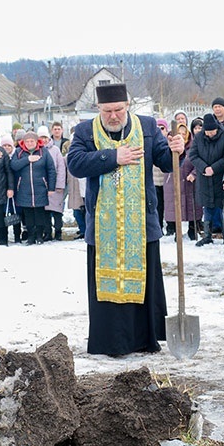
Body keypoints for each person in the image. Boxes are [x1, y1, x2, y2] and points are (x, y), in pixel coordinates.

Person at [66, 82, 185, 356]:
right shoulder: (85, 131)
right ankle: (111, 343)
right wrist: (113, 157)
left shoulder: (147, 127)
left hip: (141, 223)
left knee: (145, 282)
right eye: (107, 111)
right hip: (103, 225)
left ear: (128, 106)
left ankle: (146, 340)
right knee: (106, 288)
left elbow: (166, 161)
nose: (113, 116)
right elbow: (76, 164)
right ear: (98, 109)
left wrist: (177, 147)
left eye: (118, 109)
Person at [189, 113, 224, 246]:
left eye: (211, 131)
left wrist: (214, 168)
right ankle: (207, 235)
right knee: (206, 206)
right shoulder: (199, 137)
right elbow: (193, 155)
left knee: (221, 206)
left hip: (220, 176)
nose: (209, 134)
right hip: (204, 178)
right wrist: (204, 168)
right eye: (207, 131)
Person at [11, 131, 56, 245]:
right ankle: (31, 236)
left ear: (36, 142)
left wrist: (51, 187)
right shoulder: (18, 152)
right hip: (24, 189)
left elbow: (51, 169)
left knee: (39, 213)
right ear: (23, 142)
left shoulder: (44, 152)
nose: (29, 143)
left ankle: (39, 236)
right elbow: (14, 166)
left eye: (32, 141)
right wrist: (28, 159)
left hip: (40, 187)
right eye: (27, 141)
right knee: (28, 214)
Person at [165, 122, 200, 241]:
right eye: (179, 133)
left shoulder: (193, 146)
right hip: (173, 180)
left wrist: (194, 173)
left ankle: (192, 229)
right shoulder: (169, 145)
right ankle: (177, 230)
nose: (181, 136)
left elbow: (198, 161)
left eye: (184, 133)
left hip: (189, 180)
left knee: (191, 204)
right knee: (175, 205)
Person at [38, 125, 67, 241]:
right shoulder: (37, 150)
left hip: (55, 186)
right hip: (42, 186)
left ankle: (58, 232)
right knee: (45, 212)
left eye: (45, 137)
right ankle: (48, 232)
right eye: (41, 137)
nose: (44, 140)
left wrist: (60, 185)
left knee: (57, 211)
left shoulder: (55, 150)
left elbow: (61, 168)